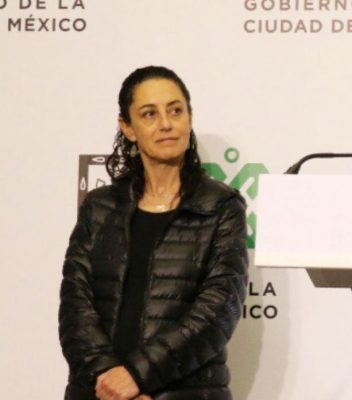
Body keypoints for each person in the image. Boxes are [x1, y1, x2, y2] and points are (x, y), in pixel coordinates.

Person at [58, 66, 248, 400]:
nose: (166, 123)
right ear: (128, 128)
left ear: (189, 118)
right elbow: (76, 307)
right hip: (99, 393)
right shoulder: (99, 207)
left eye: (175, 110)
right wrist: (112, 383)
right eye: (149, 114)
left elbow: (217, 310)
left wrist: (136, 377)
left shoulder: (221, 207)